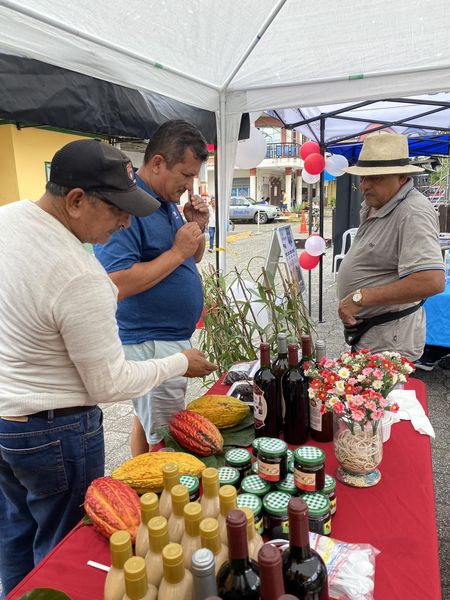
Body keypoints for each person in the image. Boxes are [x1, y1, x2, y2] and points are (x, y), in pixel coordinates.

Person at [0, 139, 216, 596]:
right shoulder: (81, 276)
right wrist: (178, 362)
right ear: (77, 200)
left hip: (8, 420)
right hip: (55, 432)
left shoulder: (9, 217)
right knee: (64, 551)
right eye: (118, 210)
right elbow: (111, 383)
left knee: (16, 534)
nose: (125, 222)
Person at [95, 120, 209, 456]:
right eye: (185, 174)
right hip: (151, 342)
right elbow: (116, 282)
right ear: (158, 163)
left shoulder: (165, 200)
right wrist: (177, 252)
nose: (189, 185)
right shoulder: (130, 205)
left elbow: (191, 258)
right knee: (166, 439)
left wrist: (196, 228)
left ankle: (140, 482)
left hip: (163, 341)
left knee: (145, 423)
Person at [336, 133, 445, 361]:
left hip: (390, 340)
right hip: (375, 334)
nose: (364, 185)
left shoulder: (413, 212)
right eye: (363, 177)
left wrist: (359, 298)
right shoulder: (378, 202)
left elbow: (431, 281)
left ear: (402, 177)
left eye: (375, 178)